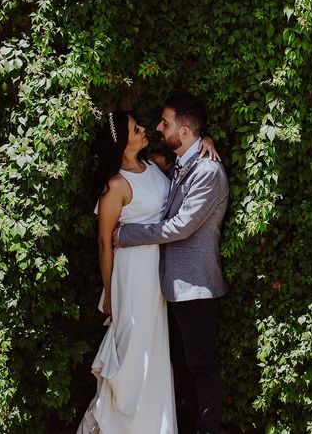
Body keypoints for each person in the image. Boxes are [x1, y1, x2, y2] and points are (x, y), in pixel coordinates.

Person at [78, 110, 219, 434]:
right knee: (132, 353)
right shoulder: (116, 185)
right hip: (131, 276)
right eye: (135, 129)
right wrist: (110, 292)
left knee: (156, 351)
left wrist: (205, 141)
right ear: (121, 143)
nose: (144, 130)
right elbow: (104, 243)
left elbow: (187, 160)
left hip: (158, 275)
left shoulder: (155, 162)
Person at [115, 93, 229, 434]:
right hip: (171, 286)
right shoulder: (181, 161)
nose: (159, 128)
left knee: (201, 366)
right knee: (183, 365)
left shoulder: (207, 171)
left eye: (166, 124)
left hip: (195, 284)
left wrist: (126, 234)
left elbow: (180, 227)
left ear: (184, 132)